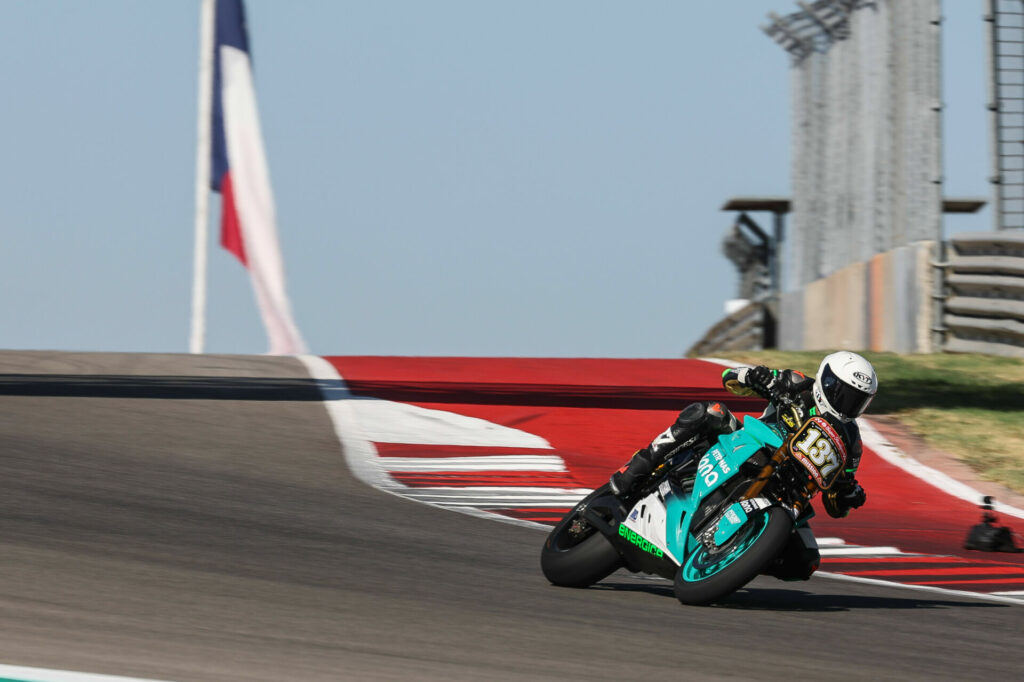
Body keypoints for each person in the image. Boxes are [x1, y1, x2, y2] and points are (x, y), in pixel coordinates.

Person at [609, 351, 876, 520]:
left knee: (804, 562)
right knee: (710, 412)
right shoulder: (797, 384)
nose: (849, 404)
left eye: (858, 400)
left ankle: (736, 551)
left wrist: (848, 495)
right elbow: (729, 378)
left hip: (787, 492)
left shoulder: (851, 442)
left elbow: (836, 505)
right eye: (845, 394)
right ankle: (638, 467)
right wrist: (755, 376)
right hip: (750, 443)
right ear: (827, 381)